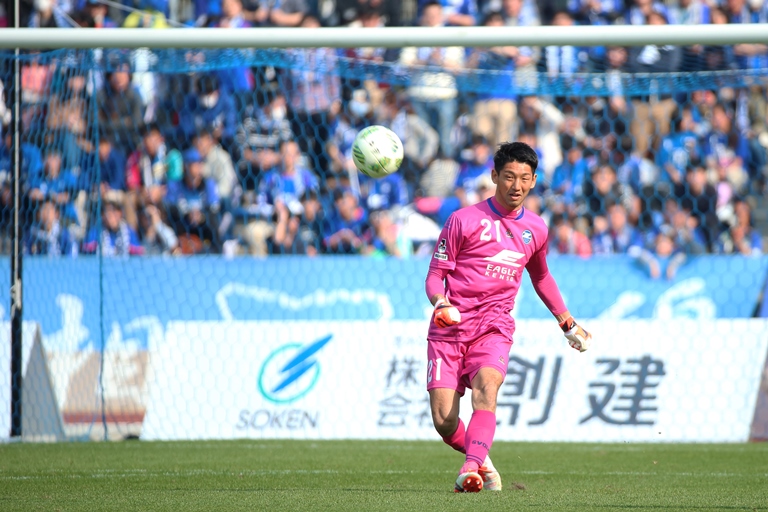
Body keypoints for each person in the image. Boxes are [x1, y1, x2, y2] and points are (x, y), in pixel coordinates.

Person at [424, 141, 591, 493]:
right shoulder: (462, 220)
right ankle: (481, 458)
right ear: (495, 176)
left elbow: (541, 277)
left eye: (525, 178)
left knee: (487, 389)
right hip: (450, 328)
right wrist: (440, 303)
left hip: (494, 327)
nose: (517, 185)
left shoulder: (536, 229)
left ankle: (470, 468)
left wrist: (567, 322)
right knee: (444, 420)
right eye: (510, 176)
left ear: (534, 181)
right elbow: (435, 275)